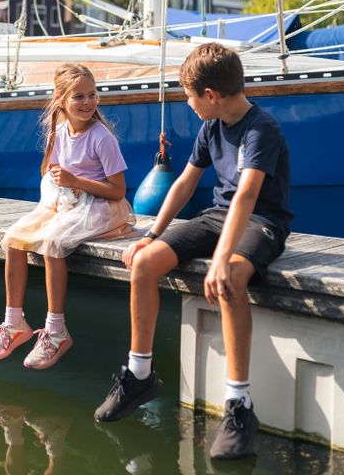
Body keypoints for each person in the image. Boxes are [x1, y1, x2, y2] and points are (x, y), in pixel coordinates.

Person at [93, 43, 293, 461]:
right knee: (144, 263)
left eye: (189, 95)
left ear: (211, 95)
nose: (187, 103)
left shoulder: (262, 130)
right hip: (218, 216)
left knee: (231, 278)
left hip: (262, 222)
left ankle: (239, 404)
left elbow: (247, 197)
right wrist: (152, 234)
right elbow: (185, 183)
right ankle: (139, 375)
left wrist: (221, 258)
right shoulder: (212, 126)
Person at [0, 63, 135, 369]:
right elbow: (52, 172)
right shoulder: (60, 132)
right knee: (13, 240)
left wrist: (75, 181)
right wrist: (60, 182)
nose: (88, 102)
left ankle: (56, 331)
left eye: (92, 94)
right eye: (79, 96)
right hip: (66, 202)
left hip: (101, 206)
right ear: (60, 99)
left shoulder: (101, 137)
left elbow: (118, 191)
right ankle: (14, 323)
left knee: (52, 243)